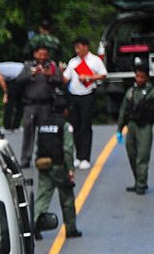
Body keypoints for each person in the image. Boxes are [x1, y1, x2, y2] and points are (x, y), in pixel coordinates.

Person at [33, 97, 82, 238]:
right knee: (67, 199)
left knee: (42, 197)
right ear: (65, 111)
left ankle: (34, 225)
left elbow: (38, 144)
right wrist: (70, 169)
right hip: (59, 166)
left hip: (43, 164)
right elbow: (68, 149)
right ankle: (71, 228)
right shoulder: (64, 125)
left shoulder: (43, 124)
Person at [117, 61, 154, 195]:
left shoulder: (153, 92)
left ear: (146, 77)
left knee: (142, 156)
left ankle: (141, 183)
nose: (139, 79)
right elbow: (123, 110)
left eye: (141, 77)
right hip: (132, 126)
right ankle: (137, 180)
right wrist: (119, 129)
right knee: (131, 153)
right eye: (137, 76)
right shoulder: (131, 92)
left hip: (144, 127)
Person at [63, 38, 108, 169]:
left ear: (85, 47)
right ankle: (78, 156)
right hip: (74, 96)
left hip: (87, 95)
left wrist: (89, 77)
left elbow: (103, 74)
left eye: (79, 47)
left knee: (85, 127)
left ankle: (85, 157)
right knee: (75, 126)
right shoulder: (73, 62)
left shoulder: (95, 60)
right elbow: (65, 78)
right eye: (75, 47)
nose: (77, 50)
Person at [17, 44, 62, 166]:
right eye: (39, 54)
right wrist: (32, 74)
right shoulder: (28, 66)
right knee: (28, 131)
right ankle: (25, 159)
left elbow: (59, 81)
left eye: (44, 55)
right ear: (35, 54)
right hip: (30, 104)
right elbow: (19, 80)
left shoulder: (51, 66)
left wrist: (49, 76)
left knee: (45, 132)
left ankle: (44, 157)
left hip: (46, 104)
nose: (42, 57)